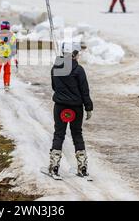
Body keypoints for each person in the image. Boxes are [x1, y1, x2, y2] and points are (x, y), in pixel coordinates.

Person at [48, 42, 93, 179]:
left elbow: (54, 87)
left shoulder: (55, 68)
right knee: (77, 134)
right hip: (76, 107)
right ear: (73, 54)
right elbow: (85, 91)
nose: (78, 56)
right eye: (77, 54)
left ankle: (54, 166)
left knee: (59, 134)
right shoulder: (79, 70)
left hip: (60, 106)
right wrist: (88, 107)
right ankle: (82, 167)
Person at [0, 21, 17, 91]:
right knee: (2, 70)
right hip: (4, 56)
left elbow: (13, 46)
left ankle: (0, 83)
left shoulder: (0, 35)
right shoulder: (8, 36)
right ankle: (0, 83)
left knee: (2, 70)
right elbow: (14, 46)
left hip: (4, 56)